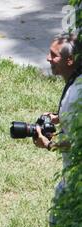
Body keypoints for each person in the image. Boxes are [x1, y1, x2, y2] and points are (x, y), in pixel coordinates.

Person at [33, 33, 82, 197]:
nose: (48, 58)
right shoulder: (76, 82)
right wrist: (59, 117)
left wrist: (48, 144)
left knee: (58, 221)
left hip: (76, 179)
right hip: (73, 174)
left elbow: (77, 142)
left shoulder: (77, 94)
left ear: (69, 60)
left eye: (54, 55)